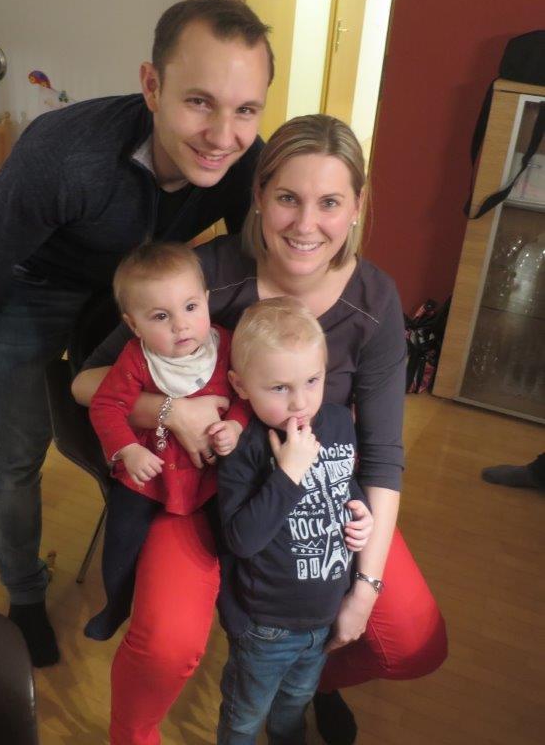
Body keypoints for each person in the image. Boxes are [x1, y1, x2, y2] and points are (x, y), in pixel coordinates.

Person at [74, 114, 448, 745]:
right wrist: (171, 411)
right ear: (258, 196)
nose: (305, 224)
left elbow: (383, 455)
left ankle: (307, 676)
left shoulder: (374, 301)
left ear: (357, 206)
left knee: (414, 641)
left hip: (315, 501)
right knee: (165, 645)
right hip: (201, 493)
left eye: (330, 202)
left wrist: (363, 591)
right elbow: (88, 381)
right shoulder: (204, 276)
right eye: (287, 198)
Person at [0, 0, 273, 667]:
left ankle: (152, 557)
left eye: (246, 109)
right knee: (18, 452)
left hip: (140, 291)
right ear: (152, 86)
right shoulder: (63, 152)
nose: (223, 135)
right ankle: (25, 595)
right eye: (200, 102)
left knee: (130, 431)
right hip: (35, 287)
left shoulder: (245, 160)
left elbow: (262, 253)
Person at [216, 296, 373, 744]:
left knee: (295, 705)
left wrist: (361, 510)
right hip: (266, 624)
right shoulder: (245, 446)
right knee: (245, 718)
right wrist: (288, 473)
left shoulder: (337, 421)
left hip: (323, 616)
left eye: (312, 380)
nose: (300, 402)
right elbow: (241, 539)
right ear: (241, 385)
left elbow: (343, 481)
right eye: (279, 388)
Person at [86, 242, 248, 640]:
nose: (181, 325)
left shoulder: (227, 345)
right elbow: (105, 405)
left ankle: (236, 613)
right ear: (134, 325)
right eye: (161, 316)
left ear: (207, 300)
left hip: (212, 474)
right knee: (121, 542)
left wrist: (236, 426)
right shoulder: (136, 359)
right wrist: (128, 449)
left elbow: (247, 396)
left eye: (191, 307)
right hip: (150, 472)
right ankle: (116, 603)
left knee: (234, 540)